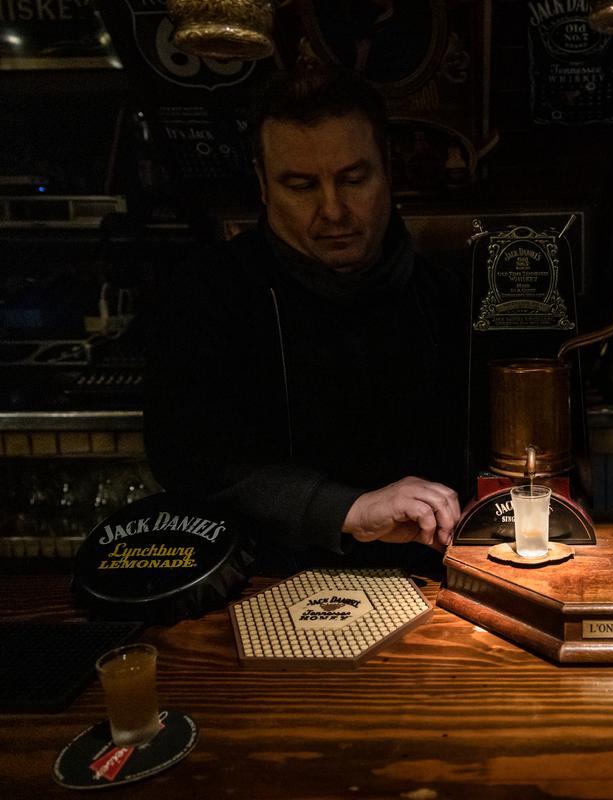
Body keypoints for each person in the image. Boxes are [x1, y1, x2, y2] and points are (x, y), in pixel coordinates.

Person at [144, 69, 469, 569]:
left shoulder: (447, 294)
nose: (333, 210)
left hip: (434, 585)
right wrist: (346, 508)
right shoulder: (209, 292)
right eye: (301, 186)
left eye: (353, 179)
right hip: (261, 585)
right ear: (262, 184)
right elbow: (188, 455)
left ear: (388, 170)